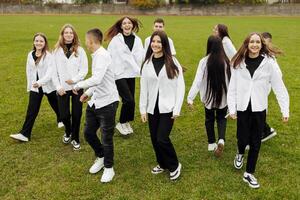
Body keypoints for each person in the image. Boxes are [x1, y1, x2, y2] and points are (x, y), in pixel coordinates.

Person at [228, 32, 289, 189]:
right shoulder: (238, 63)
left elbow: (279, 86)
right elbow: (232, 87)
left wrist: (285, 110)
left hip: (259, 108)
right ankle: (240, 153)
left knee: (255, 142)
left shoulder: (269, 63)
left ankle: (249, 173)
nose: (254, 45)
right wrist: (232, 107)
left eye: (257, 42)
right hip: (242, 107)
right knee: (242, 138)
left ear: (262, 45)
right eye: (251, 42)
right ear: (247, 44)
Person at [73, 28, 119, 183]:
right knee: (88, 133)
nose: (85, 44)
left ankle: (109, 167)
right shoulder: (97, 55)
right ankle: (101, 156)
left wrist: (79, 86)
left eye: (86, 41)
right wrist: (89, 93)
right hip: (95, 101)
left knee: (106, 137)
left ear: (92, 41)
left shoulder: (102, 55)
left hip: (108, 103)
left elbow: (97, 78)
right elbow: (99, 79)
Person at [140, 31, 185, 181]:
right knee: (154, 139)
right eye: (153, 41)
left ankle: (174, 165)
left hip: (168, 107)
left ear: (164, 44)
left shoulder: (173, 61)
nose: (155, 44)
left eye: (159, 42)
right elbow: (144, 88)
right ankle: (162, 163)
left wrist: (177, 109)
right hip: (152, 107)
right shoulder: (146, 64)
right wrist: (142, 109)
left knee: (162, 138)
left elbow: (180, 86)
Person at [10, 33, 61, 142]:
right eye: (36, 41)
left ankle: (61, 119)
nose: (38, 43)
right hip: (35, 87)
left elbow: (50, 73)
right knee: (32, 110)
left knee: (56, 104)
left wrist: (40, 82)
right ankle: (25, 134)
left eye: (41, 41)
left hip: (48, 86)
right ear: (34, 42)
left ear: (45, 43)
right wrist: (30, 85)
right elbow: (29, 71)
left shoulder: (48, 55)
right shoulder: (30, 54)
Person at [187, 35, 230, 157]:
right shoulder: (226, 61)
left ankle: (211, 143)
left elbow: (197, 81)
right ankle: (221, 139)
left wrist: (190, 98)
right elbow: (231, 82)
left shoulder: (204, 61)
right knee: (222, 118)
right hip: (223, 98)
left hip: (208, 98)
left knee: (209, 119)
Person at [105, 16, 144, 135]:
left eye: (129, 23)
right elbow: (108, 57)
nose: (127, 25)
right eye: (124, 23)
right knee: (129, 100)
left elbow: (141, 56)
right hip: (118, 74)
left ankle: (126, 121)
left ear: (132, 25)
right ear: (121, 26)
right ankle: (121, 123)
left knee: (131, 100)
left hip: (131, 73)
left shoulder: (137, 40)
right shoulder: (116, 40)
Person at [53, 24, 88, 150]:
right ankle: (68, 132)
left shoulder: (80, 50)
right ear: (62, 35)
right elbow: (53, 71)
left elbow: (84, 70)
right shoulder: (56, 51)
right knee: (64, 115)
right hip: (62, 89)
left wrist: (74, 81)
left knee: (77, 114)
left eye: (71, 33)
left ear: (74, 35)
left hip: (77, 87)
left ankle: (75, 138)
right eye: (66, 32)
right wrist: (58, 86)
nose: (68, 35)